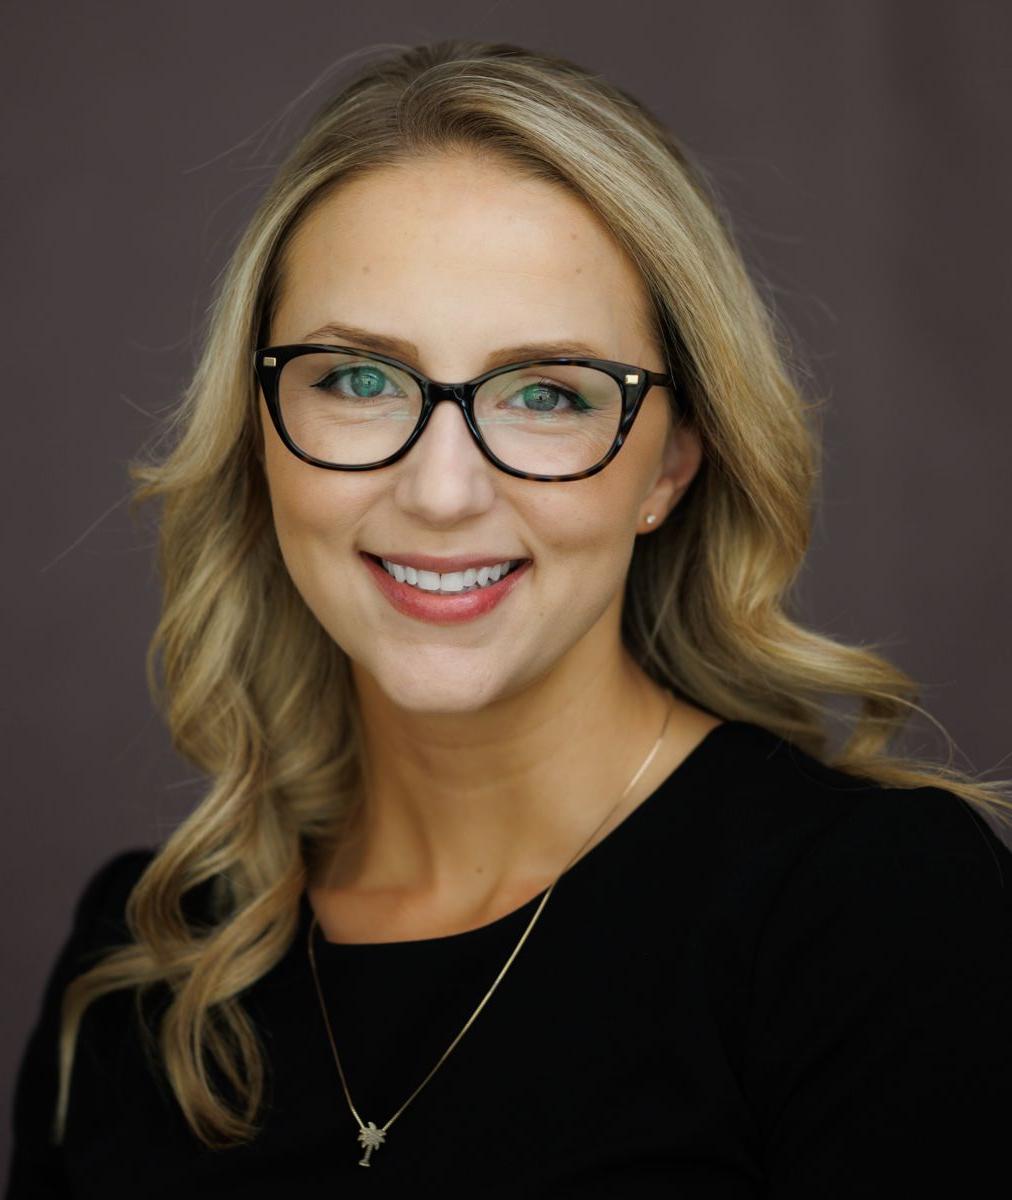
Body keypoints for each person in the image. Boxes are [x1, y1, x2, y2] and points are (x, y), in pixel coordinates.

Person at [6, 39, 1011, 1199]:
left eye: (546, 395)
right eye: (357, 380)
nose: (441, 492)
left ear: (671, 464)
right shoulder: (148, 970)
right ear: (257, 429)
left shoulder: (868, 919)